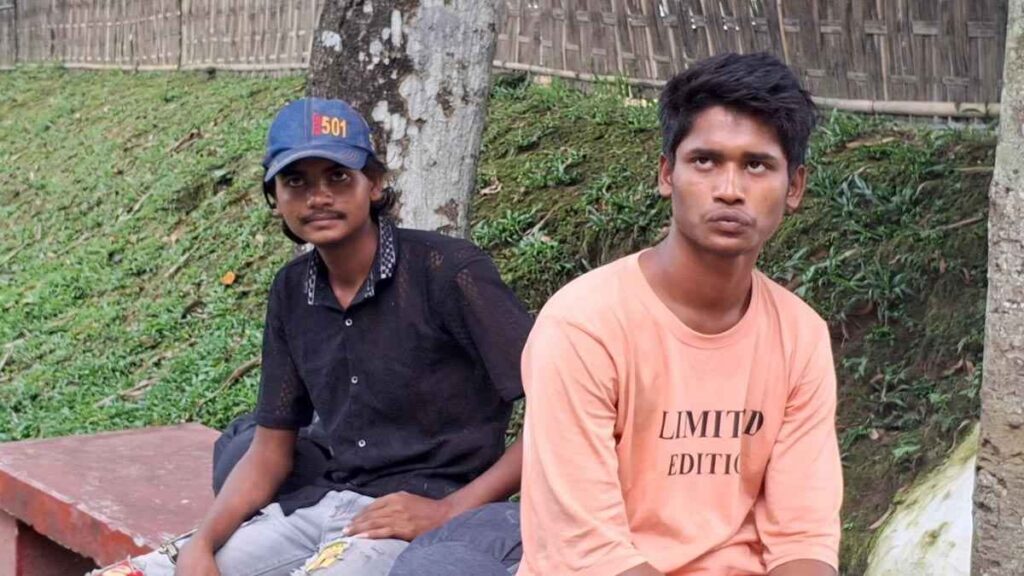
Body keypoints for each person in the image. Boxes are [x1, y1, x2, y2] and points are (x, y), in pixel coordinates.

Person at [95, 97, 531, 576]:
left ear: (374, 184)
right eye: (296, 181)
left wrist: (449, 510)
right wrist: (201, 544)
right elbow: (270, 449)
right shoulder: (292, 290)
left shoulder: (447, 272)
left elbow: (562, 413)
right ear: (275, 198)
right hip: (323, 507)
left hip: (427, 521)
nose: (318, 197)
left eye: (338, 177)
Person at [517, 52, 843, 576]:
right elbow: (588, 551)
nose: (730, 190)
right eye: (705, 161)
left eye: (756, 165)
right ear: (667, 174)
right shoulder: (582, 326)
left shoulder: (800, 334)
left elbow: (803, 537)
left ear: (795, 187)